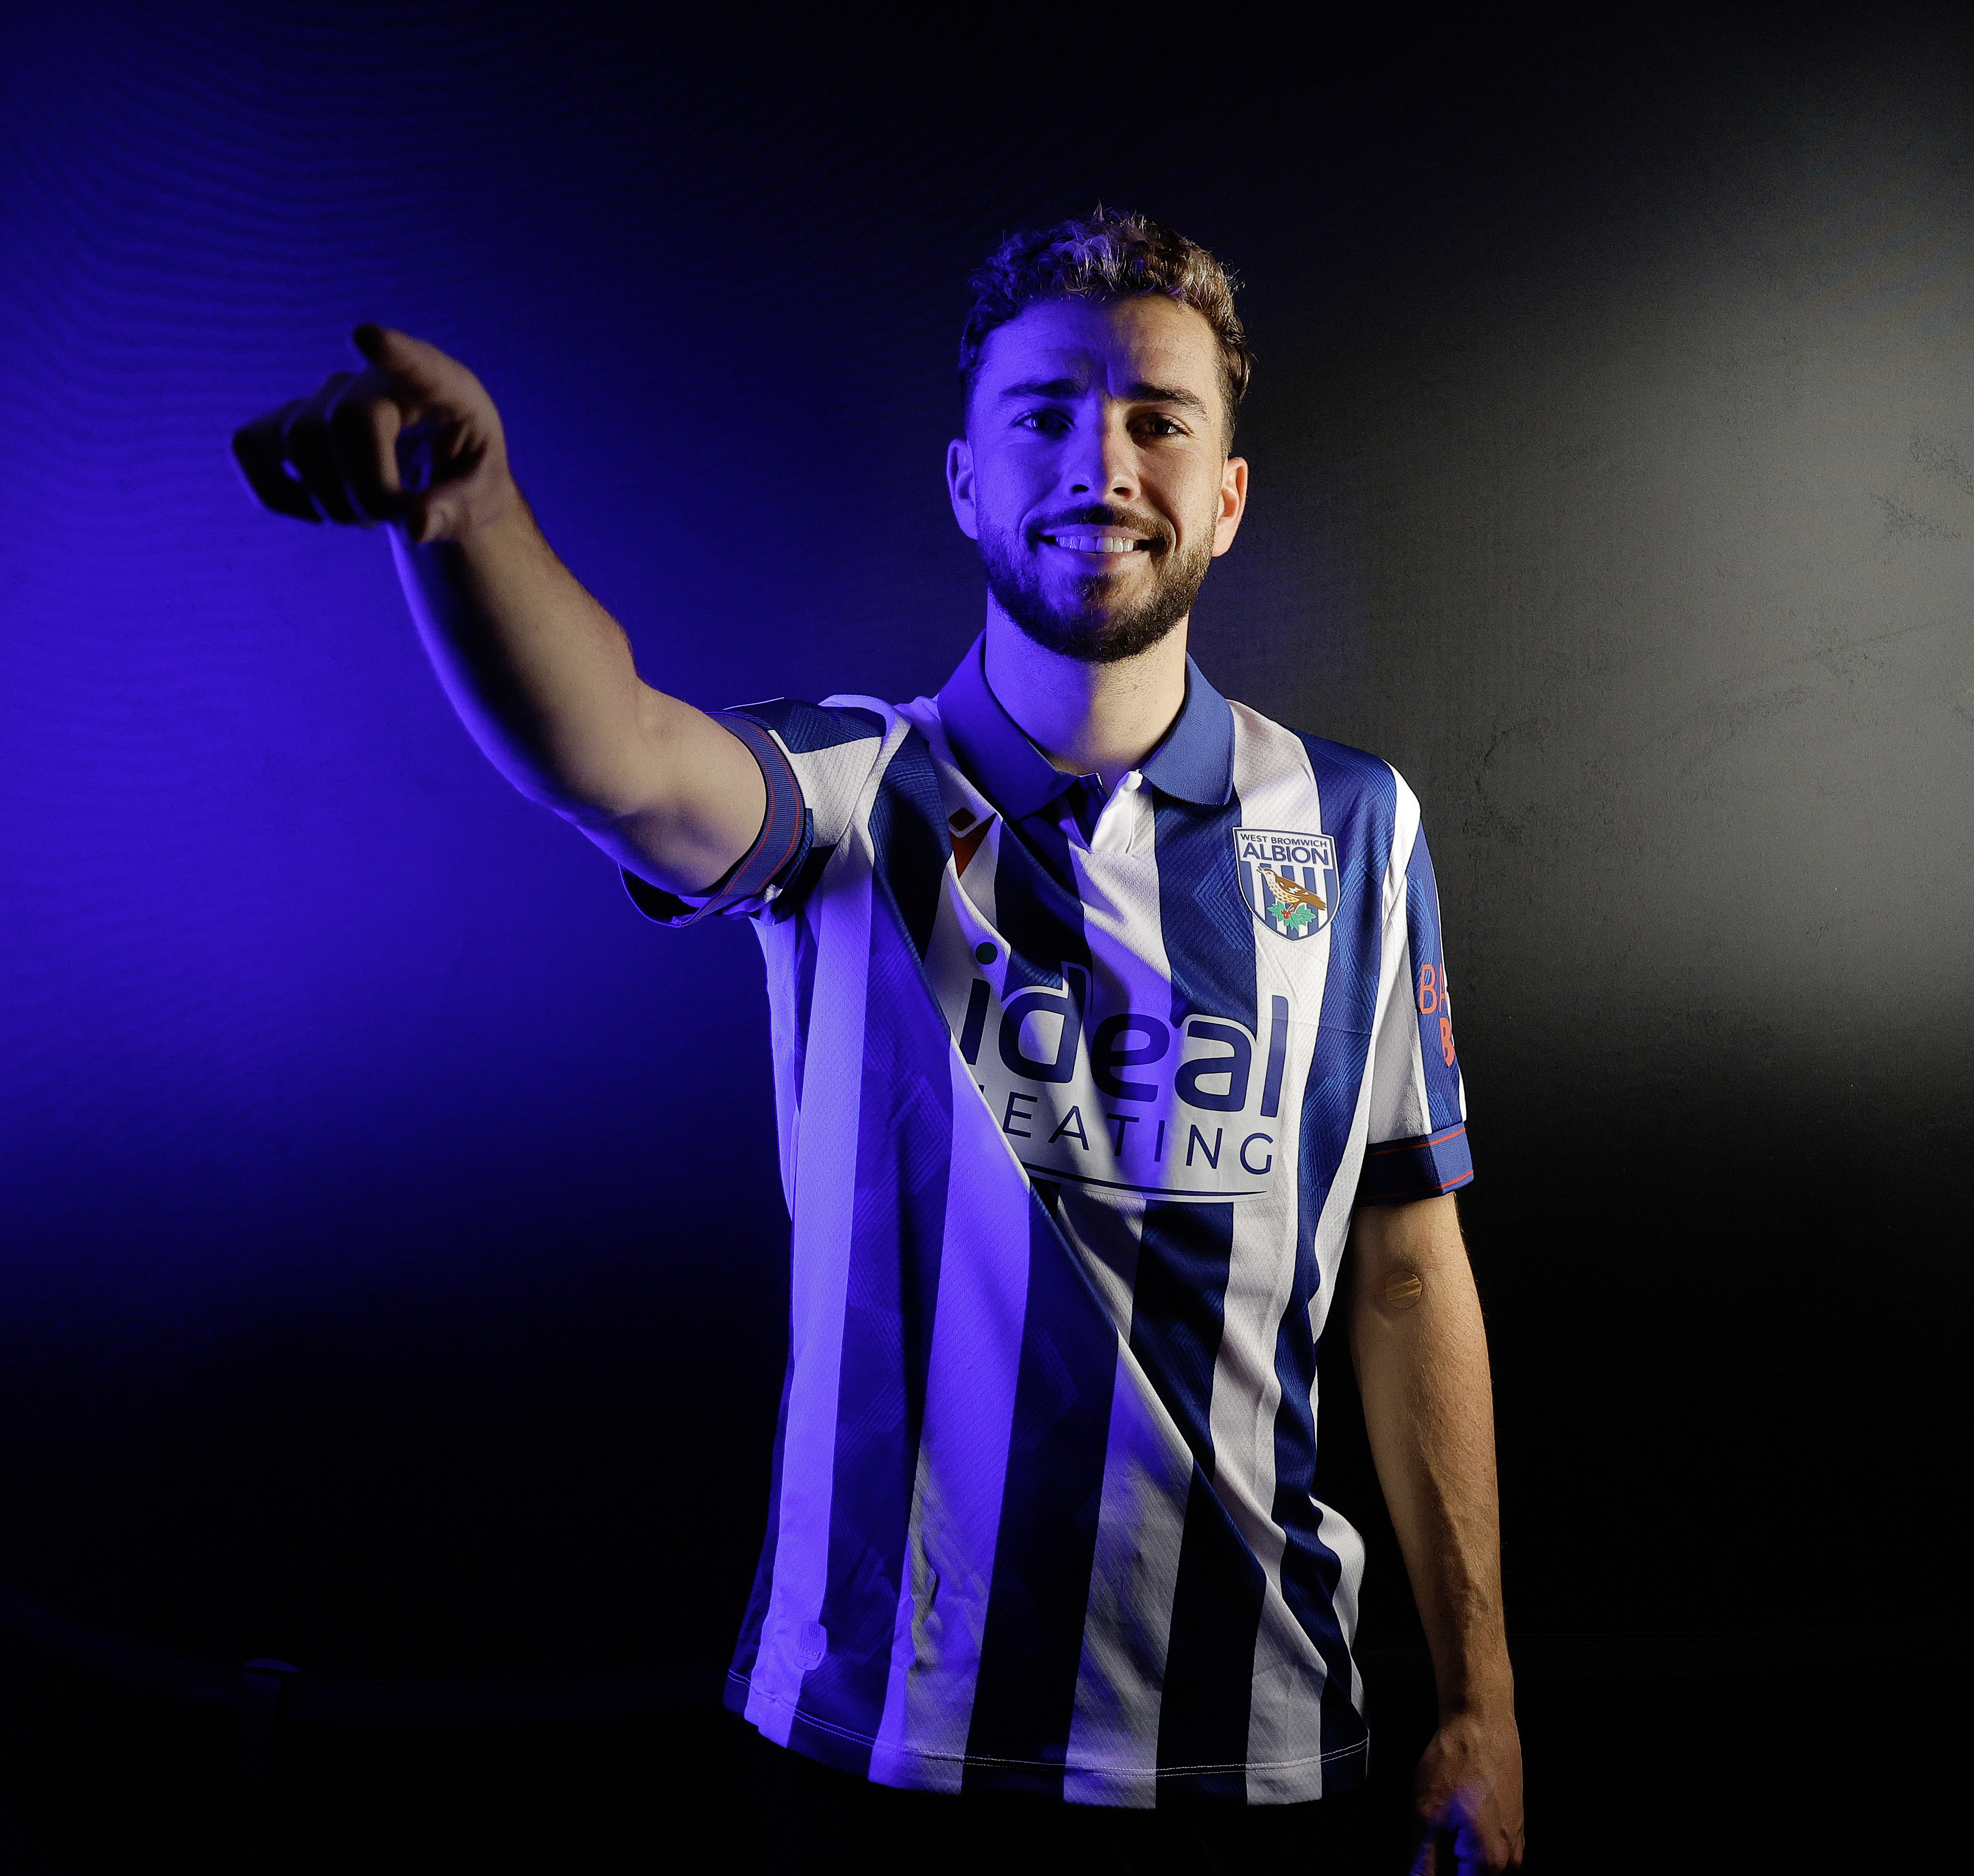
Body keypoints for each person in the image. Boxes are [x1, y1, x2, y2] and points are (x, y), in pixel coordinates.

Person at [234, 210, 1523, 1874]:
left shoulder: (1354, 828)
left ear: (1226, 495)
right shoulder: (854, 789)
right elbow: (618, 759)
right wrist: (463, 522)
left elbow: (1411, 1268)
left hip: (1256, 1747)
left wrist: (1479, 1699)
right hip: (880, 1744)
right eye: (1043, 415)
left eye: (1156, 419)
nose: (1099, 460)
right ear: (965, 481)